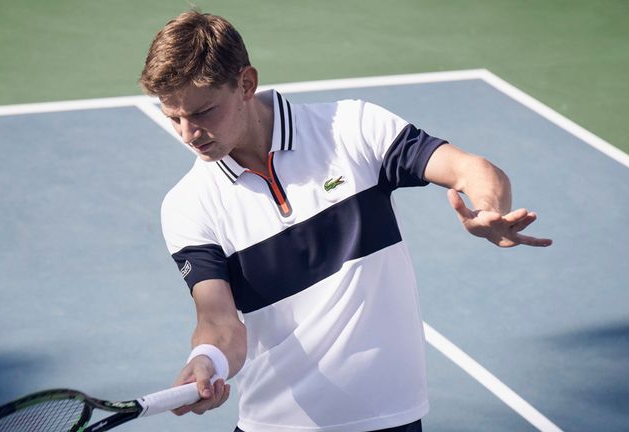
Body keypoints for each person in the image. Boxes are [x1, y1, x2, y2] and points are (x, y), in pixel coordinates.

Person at [139, 10, 552, 432]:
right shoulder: (187, 205)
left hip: (392, 419)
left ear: (246, 83)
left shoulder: (353, 129)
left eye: (203, 112)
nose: (188, 133)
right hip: (276, 425)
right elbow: (218, 322)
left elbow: (473, 169)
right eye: (173, 117)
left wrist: (488, 208)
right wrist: (206, 361)